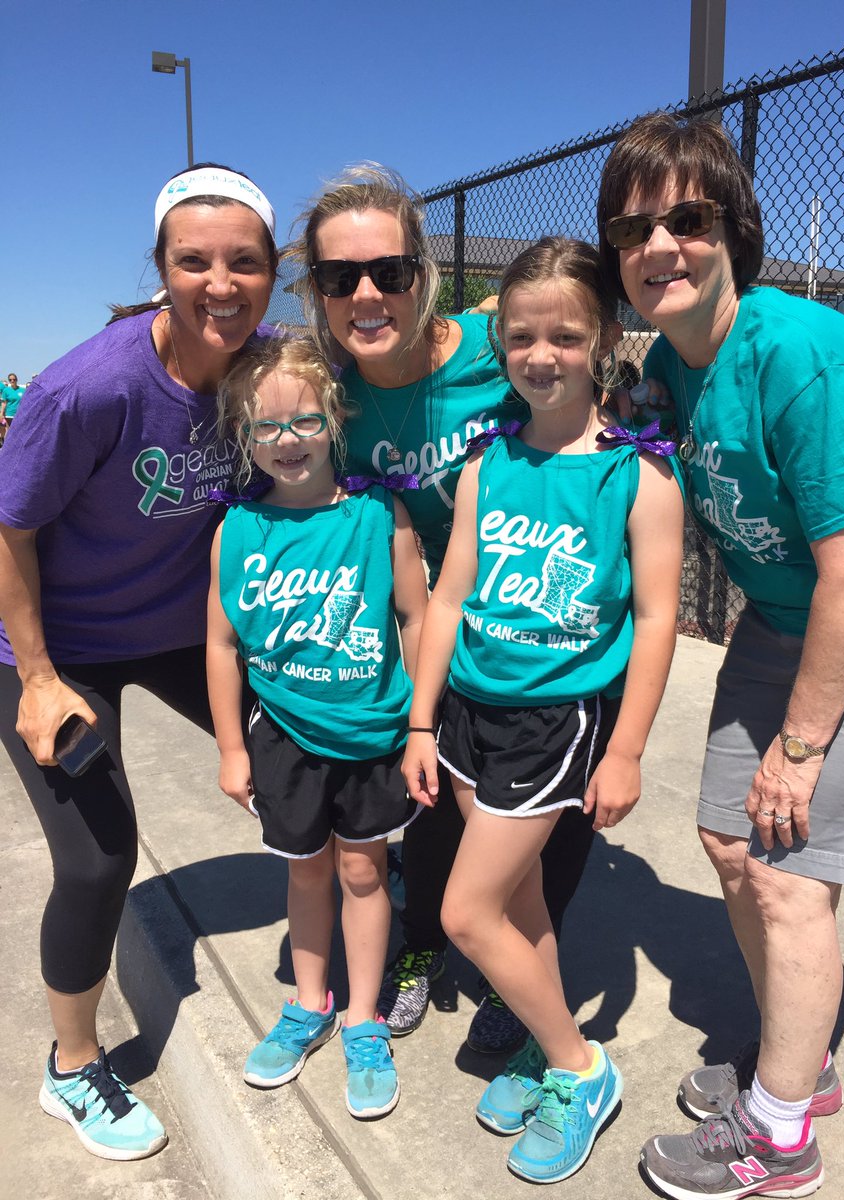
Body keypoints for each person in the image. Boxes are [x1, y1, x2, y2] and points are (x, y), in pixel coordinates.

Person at [597, 112, 844, 1199]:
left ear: (735, 232)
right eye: (632, 231)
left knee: (785, 880)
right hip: (777, 623)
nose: (659, 246)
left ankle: (780, 1138)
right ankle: (797, 1057)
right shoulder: (670, 370)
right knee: (730, 841)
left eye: (686, 218)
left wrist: (804, 748)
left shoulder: (806, 355)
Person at [293, 165, 624, 1053]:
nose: (366, 294)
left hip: (544, 631)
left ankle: (523, 981)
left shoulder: (497, 343)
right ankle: (423, 944)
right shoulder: (327, 392)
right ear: (315, 290)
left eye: (389, 272)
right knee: (430, 805)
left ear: (424, 273)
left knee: (552, 828)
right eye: (338, 278)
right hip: (428, 632)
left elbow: (589, 360)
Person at [0, 163, 279, 1160]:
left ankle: (364, 922)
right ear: (163, 270)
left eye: (243, 262)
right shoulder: (89, 389)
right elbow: (8, 530)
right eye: (195, 261)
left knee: (311, 735)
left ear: (271, 272)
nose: (220, 282)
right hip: (55, 646)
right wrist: (35, 679)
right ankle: (71, 1067)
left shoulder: (266, 365)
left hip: (174, 629)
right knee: (97, 855)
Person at [402, 237, 683, 1183]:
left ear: (604, 338)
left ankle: (580, 1066)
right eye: (521, 335)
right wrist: (419, 721)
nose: (541, 354)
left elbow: (654, 623)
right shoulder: (489, 463)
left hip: (554, 726)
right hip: (469, 718)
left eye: (565, 334)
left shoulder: (637, 477)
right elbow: (446, 600)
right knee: (518, 904)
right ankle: (541, 1035)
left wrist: (629, 749)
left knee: (465, 914)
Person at [207, 334, 427, 1119]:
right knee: (305, 872)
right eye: (264, 429)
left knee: (365, 872)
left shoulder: (378, 513)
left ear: (333, 416)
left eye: (301, 420)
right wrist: (233, 746)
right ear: (244, 437)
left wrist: (424, 729)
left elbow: (418, 615)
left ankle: (364, 1018)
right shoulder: (237, 530)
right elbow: (223, 641)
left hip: (371, 735)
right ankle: (311, 1001)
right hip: (284, 739)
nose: (286, 441)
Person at [0, 371, 24, 445]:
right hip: (9, 413)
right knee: (8, 430)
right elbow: (4, 403)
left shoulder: (23, 390)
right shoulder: (6, 390)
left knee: (19, 430)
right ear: (9, 381)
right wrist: (1, 413)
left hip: (20, 414)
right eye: (10, 380)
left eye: (14, 379)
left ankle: (17, 445)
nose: (12, 381)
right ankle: (7, 446)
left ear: (17, 380)